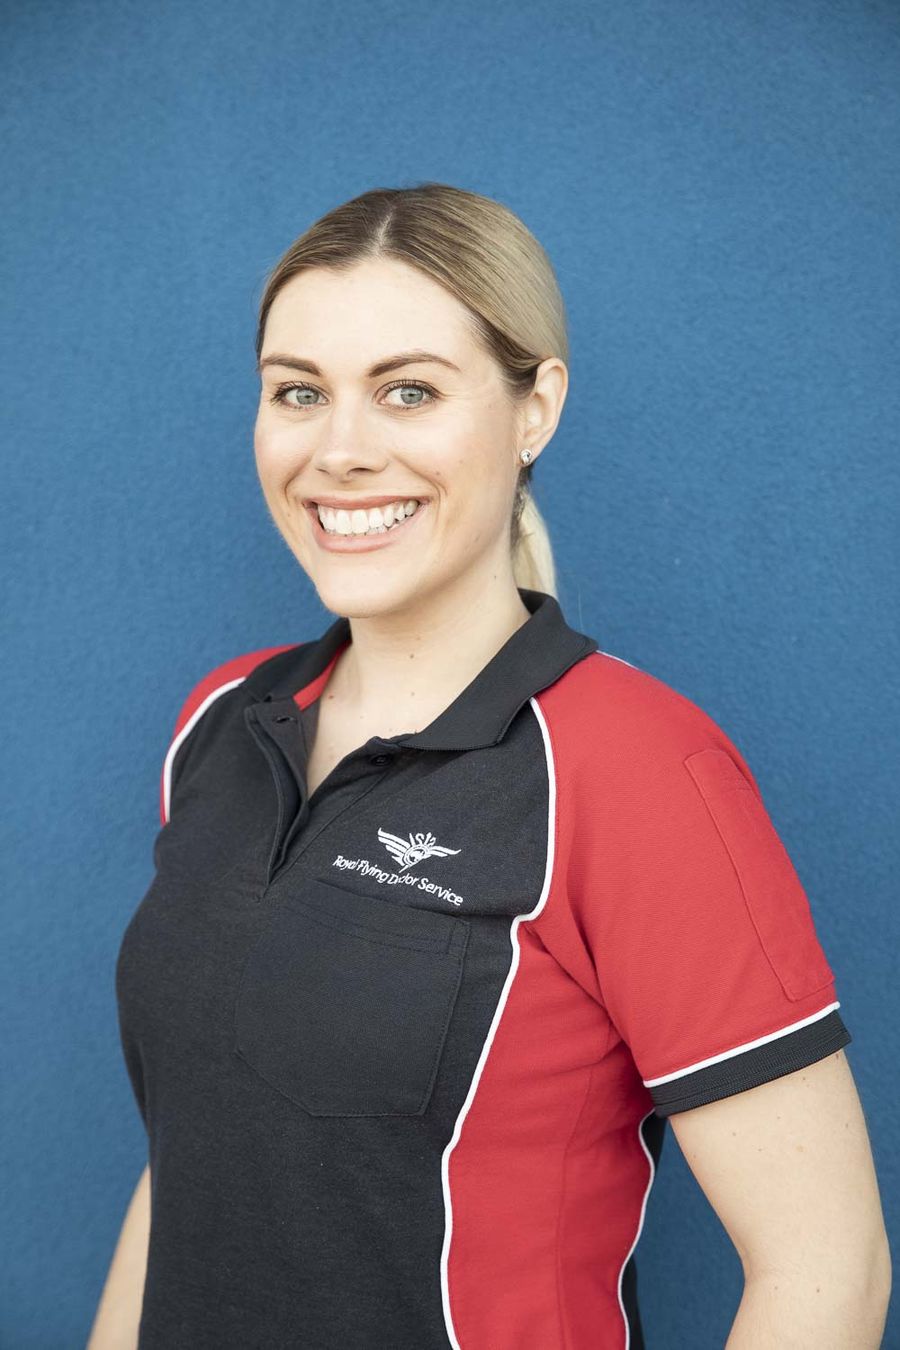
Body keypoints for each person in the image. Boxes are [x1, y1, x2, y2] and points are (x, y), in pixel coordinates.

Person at [89, 183, 890, 1349]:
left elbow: (828, 1272)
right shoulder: (221, 722)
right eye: (298, 392)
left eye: (408, 390)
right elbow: (195, 1158)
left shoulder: (637, 770)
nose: (341, 450)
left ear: (535, 409)